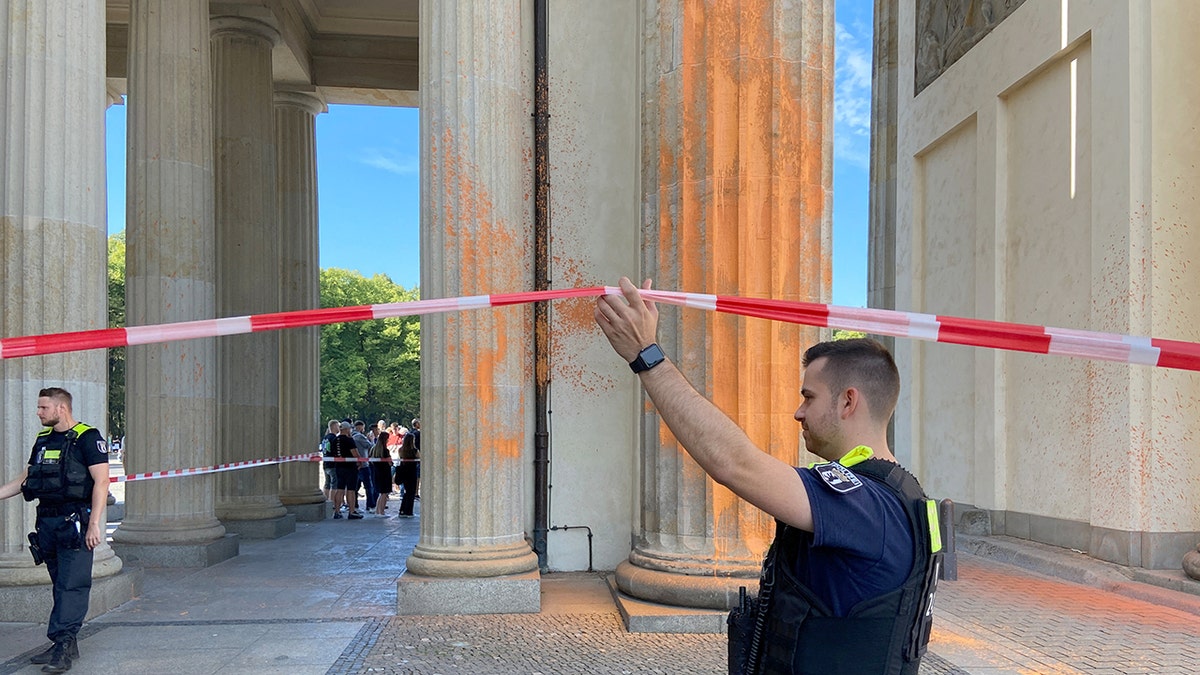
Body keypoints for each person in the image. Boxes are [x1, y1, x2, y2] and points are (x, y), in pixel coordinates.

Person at [594, 278, 940, 675]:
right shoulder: (894, 495)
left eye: (809, 397)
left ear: (848, 401)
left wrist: (646, 354)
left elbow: (733, 463)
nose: (798, 412)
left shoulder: (866, 506)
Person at [0, 388, 110, 673]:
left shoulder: (88, 437)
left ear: (61, 408)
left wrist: (95, 524)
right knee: (60, 582)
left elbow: (101, 482)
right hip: (47, 523)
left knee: (72, 584)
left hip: (75, 522)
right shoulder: (42, 439)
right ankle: (65, 641)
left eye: (43, 408)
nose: (38, 412)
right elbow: (25, 479)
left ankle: (63, 644)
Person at [329, 422, 363, 520]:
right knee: (351, 490)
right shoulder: (349, 440)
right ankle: (351, 511)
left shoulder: (335, 440)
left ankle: (337, 511)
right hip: (350, 467)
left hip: (339, 467)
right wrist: (360, 462)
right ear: (347, 429)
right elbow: (355, 453)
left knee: (340, 489)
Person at [395, 431, 419, 518]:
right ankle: (409, 511)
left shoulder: (401, 450)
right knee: (411, 492)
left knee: (406, 492)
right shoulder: (415, 451)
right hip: (412, 472)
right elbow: (419, 458)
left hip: (404, 471)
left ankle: (402, 510)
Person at [352, 421, 375, 511]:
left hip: (354, 465)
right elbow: (370, 446)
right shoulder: (360, 437)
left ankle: (355, 505)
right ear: (360, 427)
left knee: (355, 487)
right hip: (364, 464)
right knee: (368, 486)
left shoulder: (351, 436)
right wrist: (371, 439)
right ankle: (370, 505)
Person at [369, 432, 393, 516]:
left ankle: (377, 511)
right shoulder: (385, 450)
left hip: (377, 473)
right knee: (384, 494)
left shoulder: (373, 449)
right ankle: (382, 511)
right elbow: (390, 463)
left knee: (381, 493)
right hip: (385, 474)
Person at [321, 419, 339, 502]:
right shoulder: (334, 438)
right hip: (333, 464)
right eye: (338, 426)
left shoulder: (325, 438)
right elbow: (337, 451)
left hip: (325, 463)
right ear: (334, 426)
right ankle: (331, 502)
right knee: (334, 484)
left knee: (327, 484)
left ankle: (325, 501)